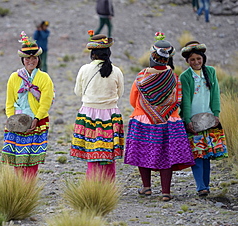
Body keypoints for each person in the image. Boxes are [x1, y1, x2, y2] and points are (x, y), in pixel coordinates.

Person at [124, 33, 195, 202]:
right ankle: (165, 192)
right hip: (170, 121)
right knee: (167, 156)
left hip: (143, 119)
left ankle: (147, 188)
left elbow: (133, 101)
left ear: (152, 57)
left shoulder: (141, 77)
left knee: (142, 153)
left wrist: (148, 110)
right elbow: (178, 100)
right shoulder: (175, 78)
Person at [70, 31, 124, 181]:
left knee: (92, 152)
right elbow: (120, 93)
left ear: (92, 53)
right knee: (108, 153)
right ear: (108, 52)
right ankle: (109, 186)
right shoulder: (117, 71)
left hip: (88, 114)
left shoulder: (84, 69)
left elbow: (77, 92)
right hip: (110, 114)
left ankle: (93, 186)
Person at [1, 31, 54, 178]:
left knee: (32, 159)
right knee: (18, 159)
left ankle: (28, 188)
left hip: (37, 121)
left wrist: (36, 119)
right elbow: (9, 101)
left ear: (38, 58)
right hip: (16, 122)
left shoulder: (44, 78)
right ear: (23, 60)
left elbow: (46, 101)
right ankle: (19, 188)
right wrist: (12, 121)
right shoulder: (14, 77)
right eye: (27, 58)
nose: (31, 61)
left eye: (34, 57)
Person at [179, 41, 228, 197]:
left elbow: (215, 95)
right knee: (197, 154)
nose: (196, 62)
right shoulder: (185, 76)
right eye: (192, 60)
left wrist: (216, 114)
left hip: (209, 119)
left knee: (206, 154)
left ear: (203, 58)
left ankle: (206, 185)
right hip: (194, 121)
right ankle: (201, 187)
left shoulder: (211, 72)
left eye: (198, 59)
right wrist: (187, 121)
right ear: (187, 61)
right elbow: (185, 100)